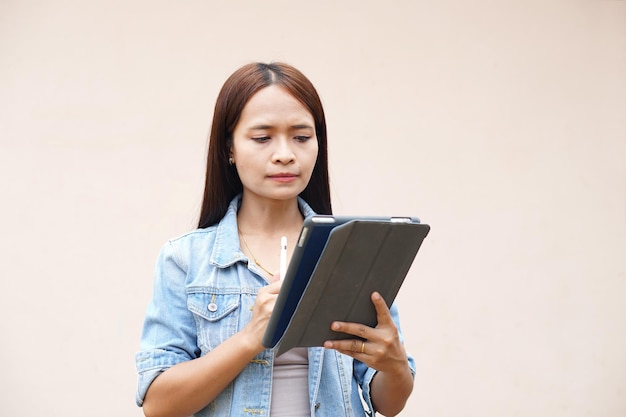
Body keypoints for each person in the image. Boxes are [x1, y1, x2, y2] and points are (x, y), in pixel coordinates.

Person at [135, 62, 415, 417]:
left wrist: (394, 365)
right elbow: (159, 405)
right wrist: (251, 338)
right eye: (262, 137)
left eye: (301, 136)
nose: (285, 153)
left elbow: (388, 403)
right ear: (229, 148)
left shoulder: (356, 249)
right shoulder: (185, 258)